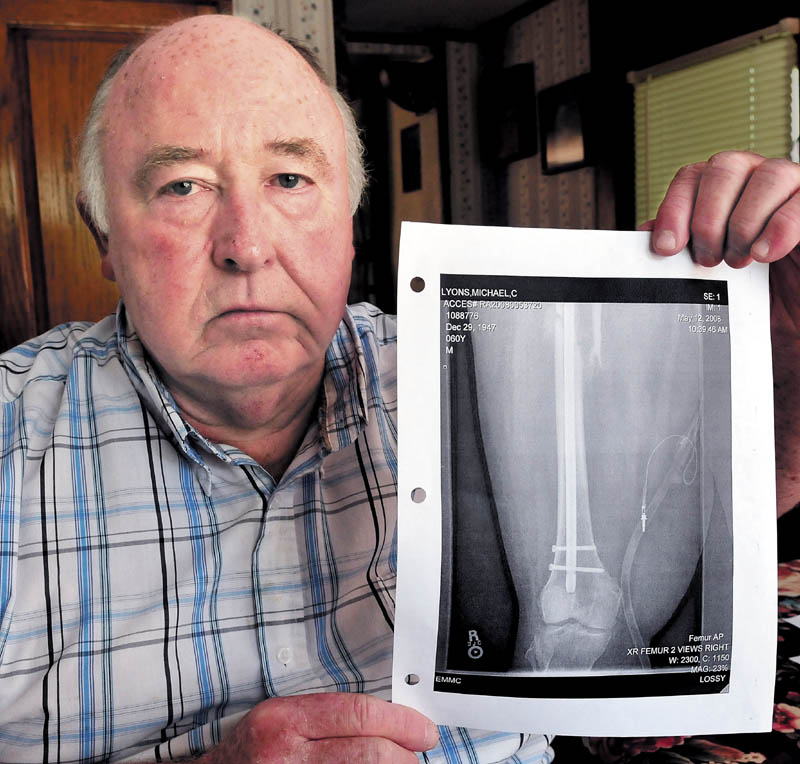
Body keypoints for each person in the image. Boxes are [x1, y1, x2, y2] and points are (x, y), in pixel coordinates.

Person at [0, 12, 796, 764]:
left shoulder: (476, 358)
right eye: (182, 187)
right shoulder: (11, 440)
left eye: (289, 177)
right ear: (105, 236)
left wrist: (791, 355)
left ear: (348, 220)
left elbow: (736, 509)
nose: (246, 246)